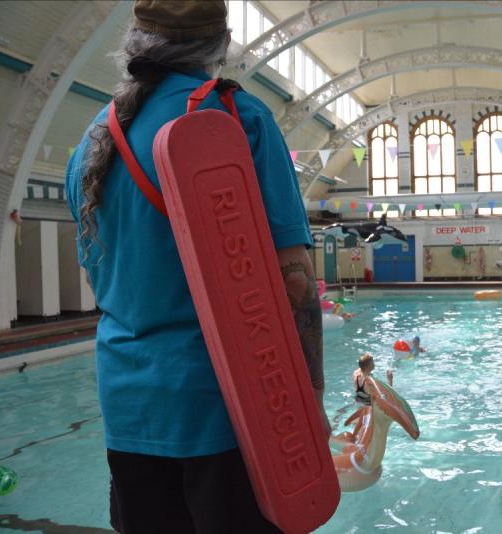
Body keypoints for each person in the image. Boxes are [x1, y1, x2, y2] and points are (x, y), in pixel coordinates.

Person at [65, 2, 328, 532]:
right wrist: (309, 400)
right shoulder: (233, 117)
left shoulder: (93, 139)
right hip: (231, 411)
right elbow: (292, 275)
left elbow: (100, 276)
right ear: (222, 43)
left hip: (128, 407)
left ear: (134, 40)